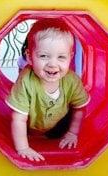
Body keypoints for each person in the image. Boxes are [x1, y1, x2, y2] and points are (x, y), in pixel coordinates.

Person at [6, 18, 90, 162]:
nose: (52, 64)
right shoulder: (26, 80)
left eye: (61, 57)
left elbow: (80, 108)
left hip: (58, 127)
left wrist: (72, 133)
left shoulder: (71, 80)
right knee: (18, 122)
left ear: (71, 57)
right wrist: (23, 148)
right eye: (43, 56)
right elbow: (18, 118)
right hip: (29, 127)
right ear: (30, 57)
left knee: (72, 111)